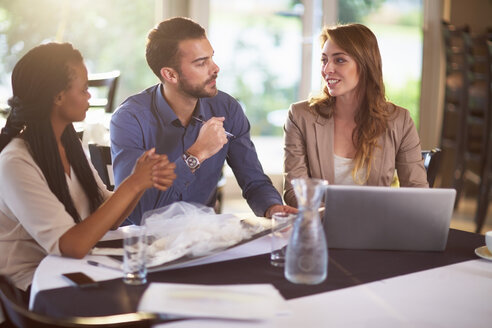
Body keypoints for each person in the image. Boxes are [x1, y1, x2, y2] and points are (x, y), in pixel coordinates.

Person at [0, 43, 176, 299]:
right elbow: (71, 245)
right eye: (84, 89)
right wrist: (132, 185)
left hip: (73, 270)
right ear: (58, 97)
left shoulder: (67, 143)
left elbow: (108, 215)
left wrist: (141, 180)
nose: (89, 97)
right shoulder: (15, 162)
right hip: (31, 288)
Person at [110, 16, 296, 224]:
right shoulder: (129, 119)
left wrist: (273, 207)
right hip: (142, 242)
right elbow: (136, 213)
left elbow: (253, 180)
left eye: (211, 57)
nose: (215, 68)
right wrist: (196, 155)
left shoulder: (227, 109)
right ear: (170, 75)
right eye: (201, 63)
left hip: (203, 237)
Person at [283, 23, 428, 207]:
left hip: (375, 231)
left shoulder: (400, 121)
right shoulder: (300, 116)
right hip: (321, 228)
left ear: (365, 64)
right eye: (324, 60)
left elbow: (417, 193)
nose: (327, 69)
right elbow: (294, 193)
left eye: (339, 60)